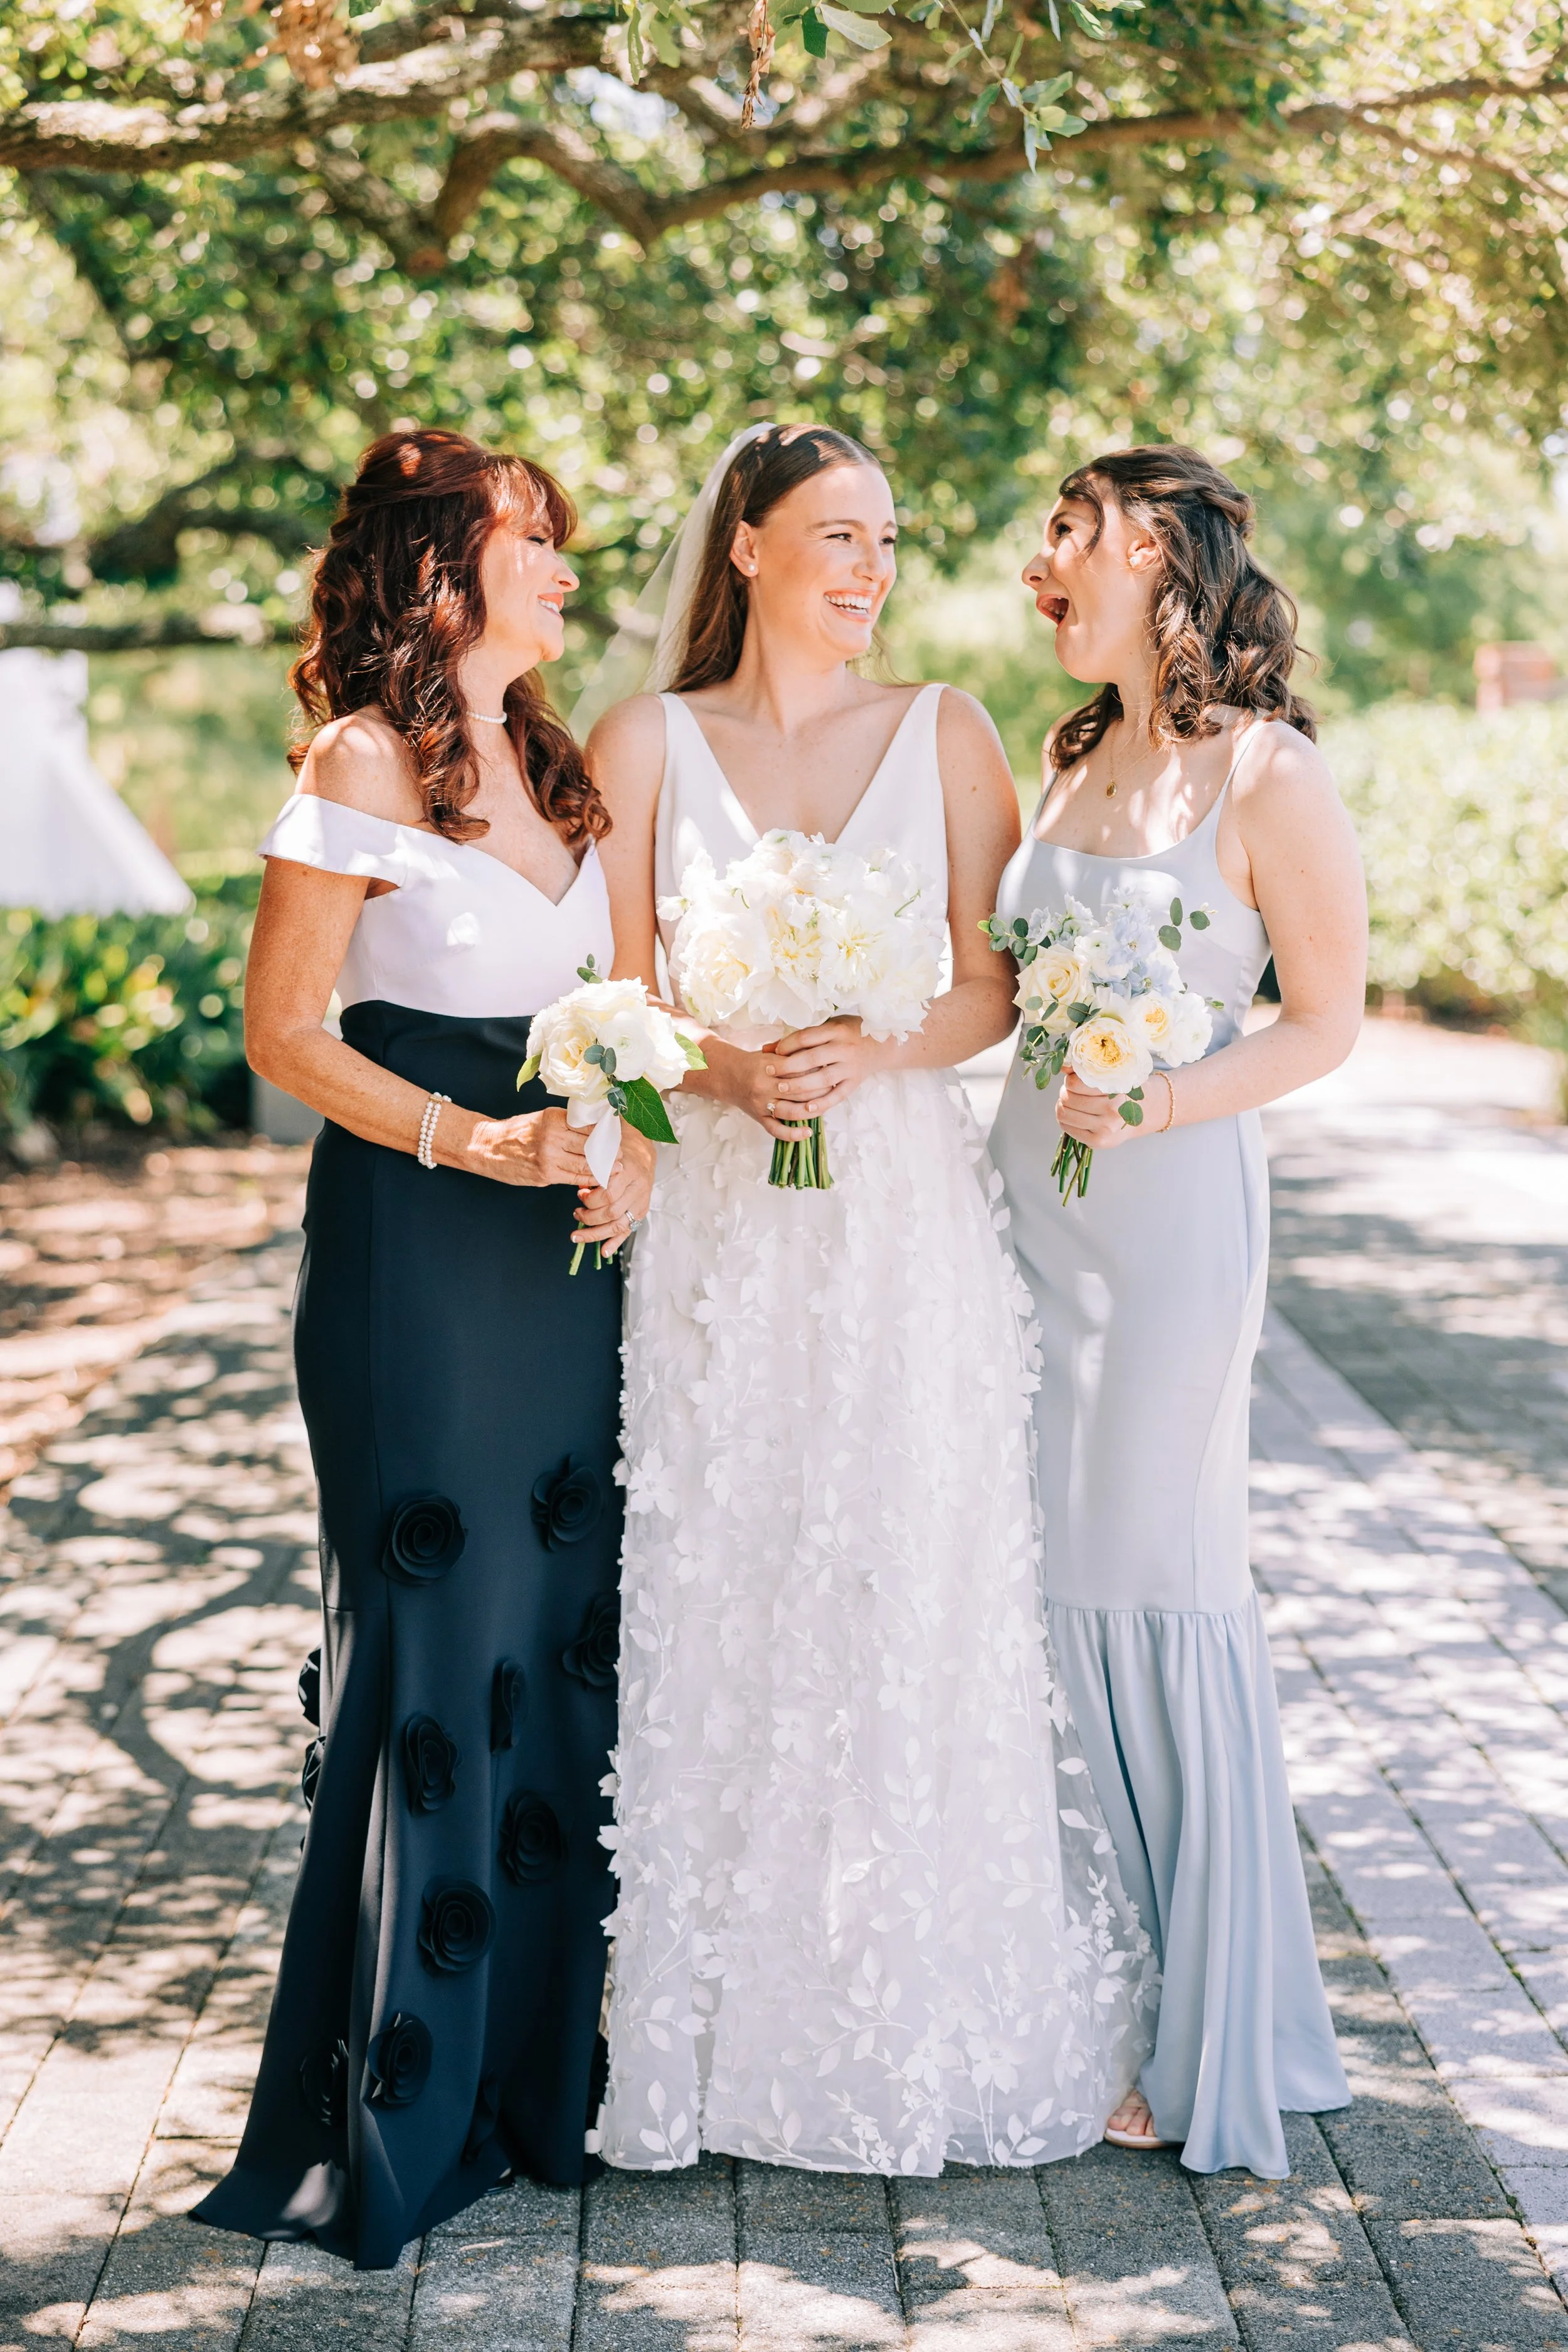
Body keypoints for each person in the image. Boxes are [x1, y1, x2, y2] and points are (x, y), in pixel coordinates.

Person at [582, 421, 1157, 2178]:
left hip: (903, 1220)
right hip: (723, 1230)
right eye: (836, 533)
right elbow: (616, 1001)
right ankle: (714, 2037)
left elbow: (990, 986)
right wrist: (722, 1065)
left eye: (886, 538)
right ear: (746, 546)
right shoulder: (645, 743)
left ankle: (918, 2022)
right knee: (729, 1582)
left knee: (908, 1586)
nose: (871, 568)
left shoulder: (948, 730)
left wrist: (872, 1043)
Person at [193, 430, 654, 2269]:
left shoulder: (558, 760)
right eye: (533, 540)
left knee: (559, 1634)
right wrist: (475, 1142)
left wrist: (620, 1149)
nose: (565, 568)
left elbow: (615, 1011)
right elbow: (285, 1032)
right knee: (438, 1638)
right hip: (419, 1250)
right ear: (442, 569)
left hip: (566, 1257)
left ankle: (533, 2084)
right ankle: (398, 2109)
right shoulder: (360, 762)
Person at [988, 445, 1361, 2178]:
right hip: (1022, 1218)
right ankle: (1099, 1980)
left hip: (1169, 1228)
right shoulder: (1071, 755)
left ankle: (1209, 2022)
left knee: (1152, 1576)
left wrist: (1157, 1099)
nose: (1038, 567)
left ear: (1153, 550)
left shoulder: (1267, 772)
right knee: (1043, 1580)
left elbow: (1323, 1023)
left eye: (1066, 533)